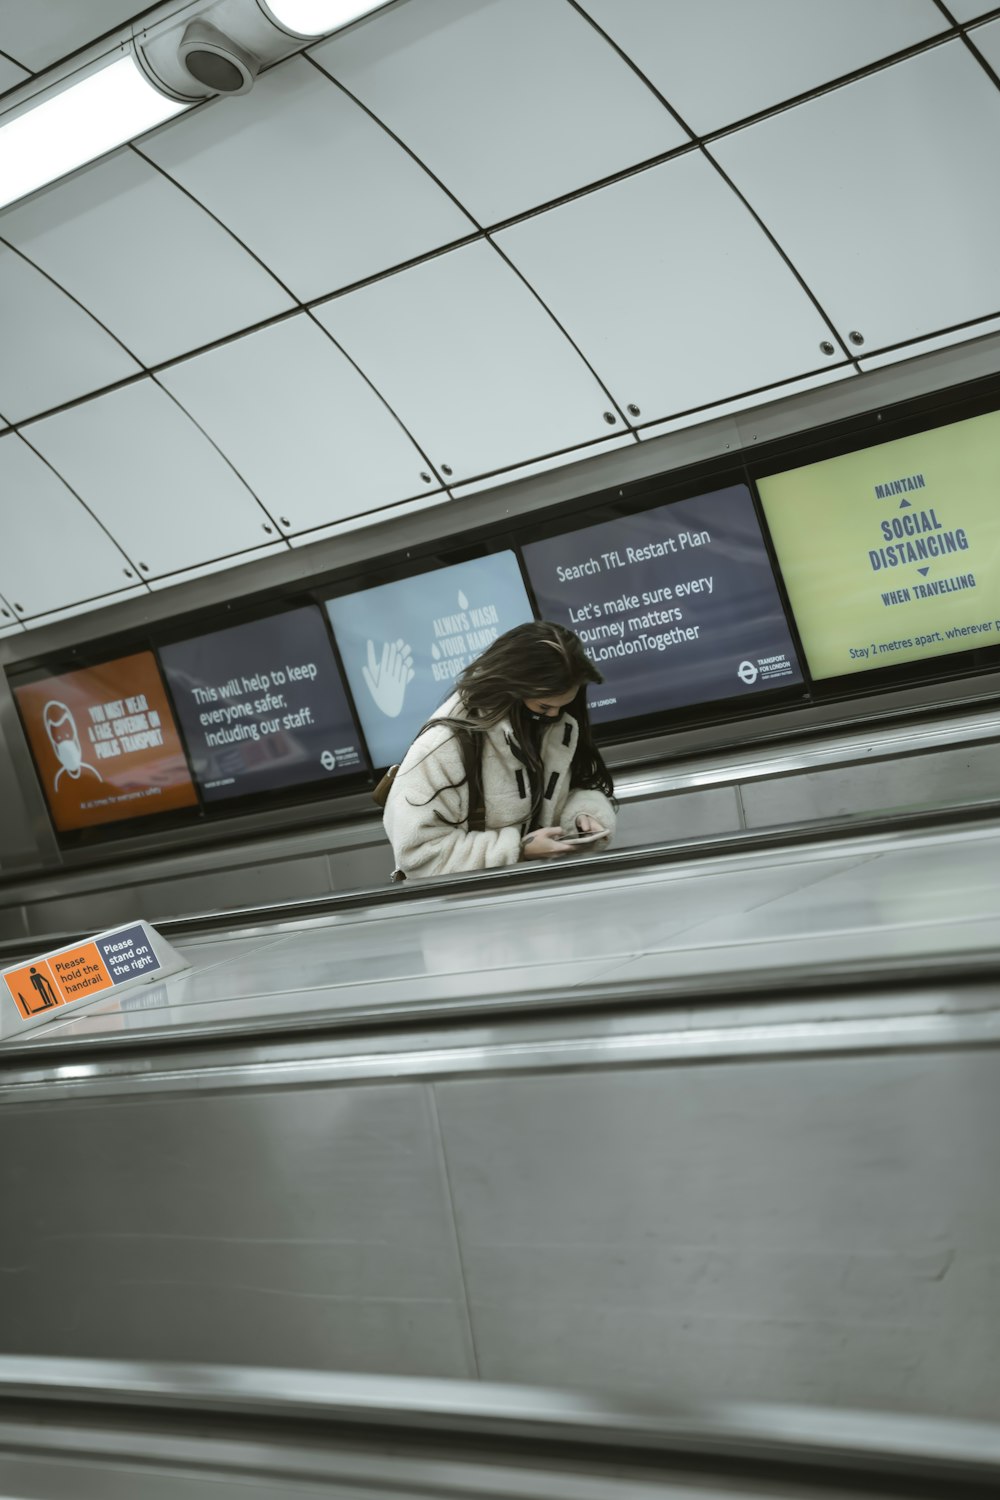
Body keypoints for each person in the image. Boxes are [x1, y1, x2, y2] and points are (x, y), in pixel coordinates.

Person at [383, 621, 616, 878]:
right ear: (512, 689)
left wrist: (582, 815)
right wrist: (517, 850)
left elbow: (574, 787)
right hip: (471, 910)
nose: (554, 715)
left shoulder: (557, 728)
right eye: (544, 707)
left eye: (563, 706)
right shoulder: (441, 747)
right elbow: (417, 855)